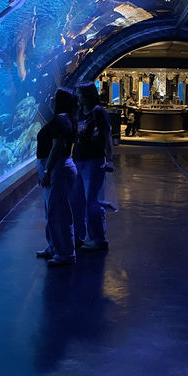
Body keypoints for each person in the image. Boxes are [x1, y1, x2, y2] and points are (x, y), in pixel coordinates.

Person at [35, 88, 78, 266]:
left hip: (57, 168)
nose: (50, 99)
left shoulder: (61, 120)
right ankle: (54, 247)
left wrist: (47, 171)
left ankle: (66, 253)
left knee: (59, 213)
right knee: (52, 211)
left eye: (54, 97)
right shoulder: (65, 118)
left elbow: (57, 147)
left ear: (60, 101)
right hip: (56, 168)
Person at [71, 81, 114, 251]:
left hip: (94, 161)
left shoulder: (98, 112)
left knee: (92, 201)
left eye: (79, 93)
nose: (77, 96)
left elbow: (107, 136)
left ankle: (98, 238)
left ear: (86, 95)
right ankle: (80, 236)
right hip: (78, 160)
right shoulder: (79, 112)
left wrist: (109, 159)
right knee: (77, 200)